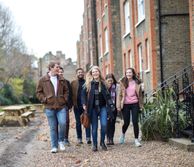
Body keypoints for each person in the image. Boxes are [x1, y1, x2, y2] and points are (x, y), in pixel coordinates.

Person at [36, 62, 69, 153]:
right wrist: (44, 99)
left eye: (58, 67)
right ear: (51, 68)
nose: (58, 69)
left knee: (63, 123)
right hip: (49, 107)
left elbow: (66, 91)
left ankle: (61, 140)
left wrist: (64, 99)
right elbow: (38, 92)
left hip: (61, 106)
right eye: (57, 67)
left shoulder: (62, 79)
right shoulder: (43, 80)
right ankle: (54, 146)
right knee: (53, 127)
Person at [82, 66, 115, 151]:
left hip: (103, 107)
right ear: (91, 74)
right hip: (92, 108)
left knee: (104, 125)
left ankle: (102, 142)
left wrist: (111, 105)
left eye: (96, 71)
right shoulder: (88, 84)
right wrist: (84, 104)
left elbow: (108, 96)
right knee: (94, 127)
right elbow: (83, 96)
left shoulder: (104, 83)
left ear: (99, 73)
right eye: (93, 72)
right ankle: (95, 144)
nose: (95, 73)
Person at [117, 68, 143, 147]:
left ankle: (136, 140)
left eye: (130, 72)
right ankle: (123, 134)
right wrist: (118, 106)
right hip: (125, 104)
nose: (128, 74)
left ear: (133, 74)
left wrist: (141, 105)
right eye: (127, 72)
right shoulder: (122, 82)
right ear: (125, 74)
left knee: (135, 121)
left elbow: (141, 96)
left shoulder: (137, 82)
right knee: (126, 122)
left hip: (135, 103)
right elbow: (119, 95)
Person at [71, 68, 91, 144]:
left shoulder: (87, 82)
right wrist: (71, 105)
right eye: (79, 72)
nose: (80, 73)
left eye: (82, 72)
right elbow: (71, 95)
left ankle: (88, 138)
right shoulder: (73, 83)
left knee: (87, 121)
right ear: (76, 74)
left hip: (86, 105)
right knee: (78, 122)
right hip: (76, 106)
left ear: (84, 73)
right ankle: (79, 138)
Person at [58, 66, 72, 145]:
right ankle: (59, 138)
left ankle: (66, 138)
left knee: (66, 122)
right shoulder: (54, 81)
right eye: (59, 72)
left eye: (61, 72)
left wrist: (70, 106)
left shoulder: (67, 82)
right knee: (57, 123)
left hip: (65, 105)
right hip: (56, 105)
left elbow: (70, 94)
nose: (60, 73)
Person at [105, 73, 118, 145]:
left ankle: (111, 138)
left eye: (111, 78)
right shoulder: (104, 87)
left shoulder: (116, 86)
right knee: (107, 123)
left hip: (114, 108)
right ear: (106, 79)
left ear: (113, 79)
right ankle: (108, 138)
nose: (110, 79)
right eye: (108, 78)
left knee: (112, 123)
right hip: (106, 108)